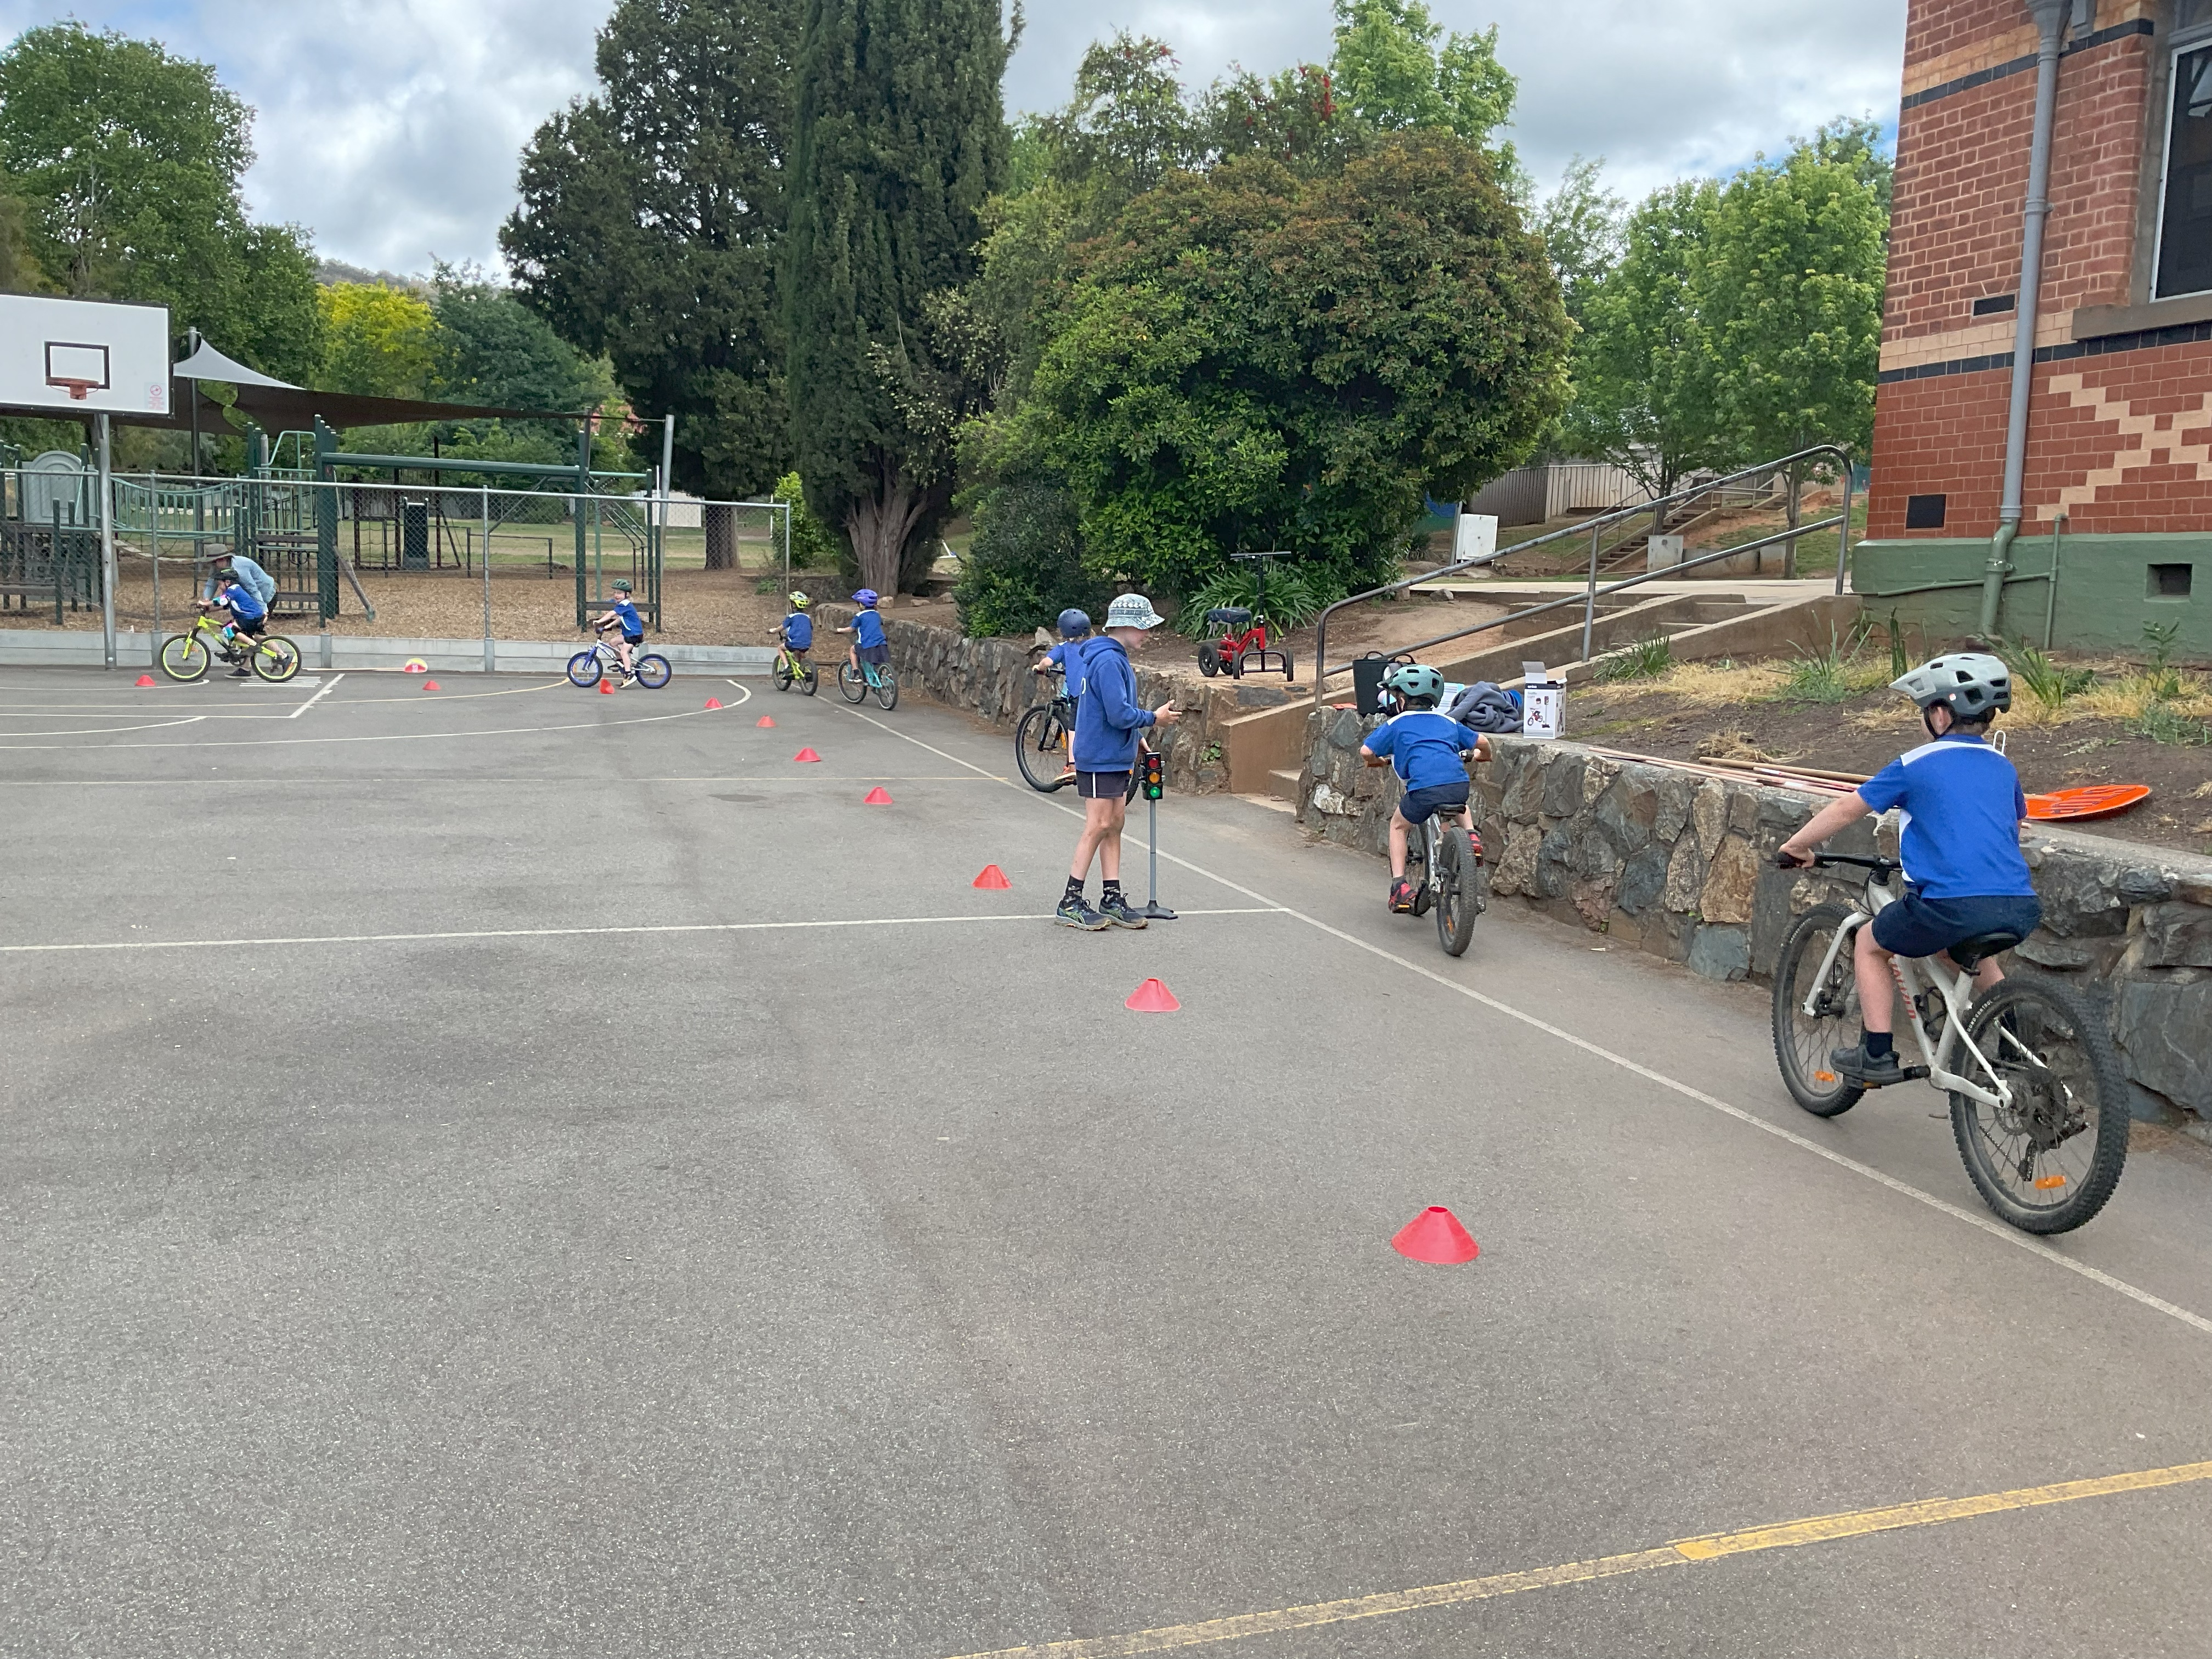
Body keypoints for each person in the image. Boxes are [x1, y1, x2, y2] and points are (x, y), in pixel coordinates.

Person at [1776, 653, 2039, 1088]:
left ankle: (1876, 1053)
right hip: (2019, 904)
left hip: (1950, 904)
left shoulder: (1916, 764)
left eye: (1924, 711)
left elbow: (1847, 809)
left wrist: (1797, 845)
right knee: (1957, 950)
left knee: (1869, 943)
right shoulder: (2002, 766)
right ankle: (2018, 1042)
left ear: (1940, 714)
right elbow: (2011, 824)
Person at [1057, 592, 1178, 930]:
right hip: (1100, 756)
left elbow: (1111, 709)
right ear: (1124, 626)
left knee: (1115, 823)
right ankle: (1070, 901)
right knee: (1098, 825)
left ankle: (1111, 897)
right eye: (1143, 627)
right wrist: (1154, 719)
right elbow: (1118, 713)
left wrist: (1136, 736)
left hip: (1114, 754)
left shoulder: (1112, 657)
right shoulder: (1109, 661)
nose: (1148, 634)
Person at [1359, 663, 1494, 914]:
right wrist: (1483, 756)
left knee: (1398, 827)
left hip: (1423, 791)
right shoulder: (1448, 722)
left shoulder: (1397, 723)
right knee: (1457, 801)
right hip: (1457, 786)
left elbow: (1366, 751)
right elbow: (1482, 741)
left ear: (1401, 699)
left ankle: (1399, 887)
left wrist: (1376, 762)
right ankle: (1471, 837)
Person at [1034, 607, 1092, 782]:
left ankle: (1072, 766)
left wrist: (1039, 667)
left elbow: (1047, 662)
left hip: (1080, 694)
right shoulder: (1094, 644)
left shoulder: (1064, 648)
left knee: (1073, 727)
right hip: (1098, 691)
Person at [199, 571, 269, 677]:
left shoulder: (233, 590)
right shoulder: (233, 591)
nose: (220, 587)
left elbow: (223, 600)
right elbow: (225, 606)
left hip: (251, 617)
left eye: (220, 584)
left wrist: (205, 603)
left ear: (227, 582)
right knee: (229, 628)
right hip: (250, 617)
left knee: (231, 629)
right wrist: (209, 609)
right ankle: (239, 658)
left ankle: (254, 646)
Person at [589, 579, 645, 680]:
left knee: (624, 652)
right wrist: (608, 626)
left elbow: (612, 614)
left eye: (619, 593)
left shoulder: (625, 604)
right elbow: (620, 619)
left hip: (634, 635)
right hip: (629, 634)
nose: (616, 595)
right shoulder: (624, 605)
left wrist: (599, 621)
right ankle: (621, 662)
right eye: (615, 593)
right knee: (613, 643)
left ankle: (629, 674)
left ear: (627, 594)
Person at [841, 588, 889, 679]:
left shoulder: (859, 616)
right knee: (880, 661)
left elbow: (851, 629)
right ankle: (887, 675)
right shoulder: (877, 615)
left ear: (861, 605)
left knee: (853, 650)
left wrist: (840, 630)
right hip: (882, 644)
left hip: (867, 646)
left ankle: (856, 674)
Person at [207, 554, 276, 614]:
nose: (213, 566)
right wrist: (207, 599)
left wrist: (264, 611)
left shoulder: (239, 570)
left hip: (265, 593)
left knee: (253, 622)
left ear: (223, 559)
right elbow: (211, 583)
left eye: (214, 562)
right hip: (248, 599)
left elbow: (253, 590)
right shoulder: (234, 589)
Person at [776, 590, 814, 674]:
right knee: (799, 652)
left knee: (780, 648)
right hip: (807, 643)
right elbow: (810, 629)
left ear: (793, 605)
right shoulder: (808, 618)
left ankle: (787, 667)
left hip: (795, 643)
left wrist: (772, 631)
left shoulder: (791, 617)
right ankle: (800, 670)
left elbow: (781, 628)